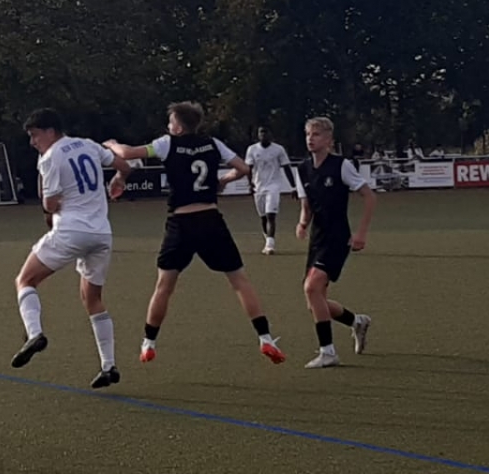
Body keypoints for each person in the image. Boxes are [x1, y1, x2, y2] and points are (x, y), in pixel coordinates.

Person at [105, 102, 284, 366]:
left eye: (171, 122)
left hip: (181, 222)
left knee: (164, 286)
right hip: (211, 220)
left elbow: (128, 153)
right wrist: (223, 180)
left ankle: (149, 343)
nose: (168, 126)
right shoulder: (213, 144)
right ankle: (265, 338)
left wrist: (112, 144)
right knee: (239, 281)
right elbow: (244, 168)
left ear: (178, 126)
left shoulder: (167, 144)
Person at [10, 109, 127, 388]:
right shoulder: (88, 144)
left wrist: (58, 202)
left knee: (25, 280)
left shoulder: (51, 157)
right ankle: (109, 366)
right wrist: (118, 180)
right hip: (101, 233)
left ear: (50, 131)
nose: (33, 142)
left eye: (35, 135)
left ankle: (34, 333)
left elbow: (49, 205)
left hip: (72, 231)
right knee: (92, 298)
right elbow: (124, 166)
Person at [295, 116, 375, 369]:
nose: (311, 138)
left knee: (311, 288)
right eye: (308, 134)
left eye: (316, 134)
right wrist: (303, 223)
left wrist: (361, 233)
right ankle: (357, 321)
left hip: (338, 237)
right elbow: (306, 204)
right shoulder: (302, 168)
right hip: (317, 239)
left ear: (329, 139)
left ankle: (328, 352)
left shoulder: (341, 166)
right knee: (314, 302)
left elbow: (369, 196)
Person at [243, 126, 294, 254]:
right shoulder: (252, 149)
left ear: (270, 134)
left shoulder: (278, 149)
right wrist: (250, 184)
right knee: (263, 217)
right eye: (261, 132)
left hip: (273, 185)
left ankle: (270, 245)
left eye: (266, 132)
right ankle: (267, 240)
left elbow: (286, 167)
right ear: (258, 135)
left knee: (271, 214)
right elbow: (249, 168)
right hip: (259, 186)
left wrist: (293, 186)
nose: (263, 135)